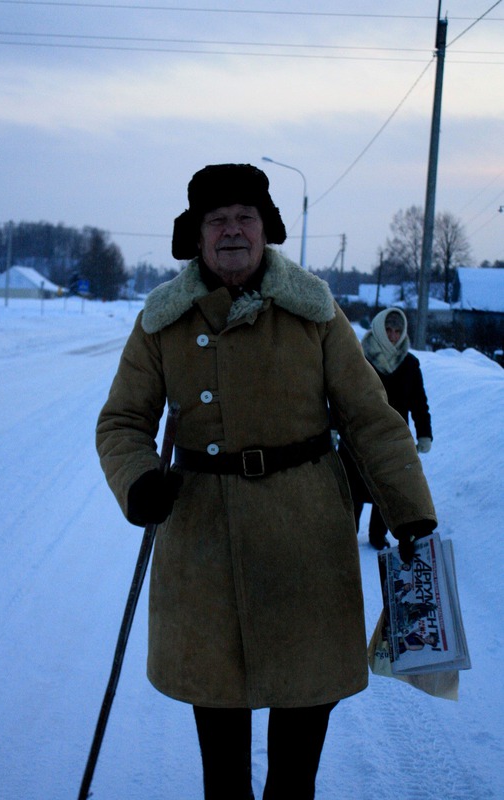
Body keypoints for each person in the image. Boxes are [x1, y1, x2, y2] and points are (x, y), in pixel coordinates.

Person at [96, 164, 437, 800]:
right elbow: (121, 421)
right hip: (202, 548)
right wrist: (139, 479)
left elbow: (372, 421)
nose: (231, 231)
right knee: (222, 763)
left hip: (304, 544)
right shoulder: (161, 322)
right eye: (217, 220)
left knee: (296, 763)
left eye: (244, 218)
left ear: (265, 230)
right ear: (196, 237)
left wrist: (410, 512)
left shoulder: (315, 312)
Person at [338, 307, 433, 551]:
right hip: (358, 434)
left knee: (388, 487)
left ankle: (377, 535)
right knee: (353, 489)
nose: (392, 335)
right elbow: (341, 395)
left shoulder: (410, 364)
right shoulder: (358, 357)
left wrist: (424, 433)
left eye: (397, 331)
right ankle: (348, 534)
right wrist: (333, 425)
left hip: (392, 439)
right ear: (380, 329)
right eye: (388, 330)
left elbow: (419, 403)